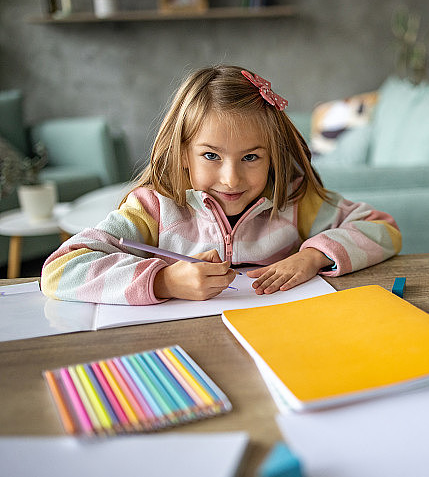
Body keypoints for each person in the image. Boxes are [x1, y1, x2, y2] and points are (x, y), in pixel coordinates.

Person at [41, 65, 402, 305]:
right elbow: (59, 270)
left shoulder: (294, 200)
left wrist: (312, 256)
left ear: (273, 156)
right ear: (183, 153)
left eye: (251, 158)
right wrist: (164, 281)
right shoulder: (153, 208)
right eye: (211, 156)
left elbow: (382, 228)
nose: (231, 179)